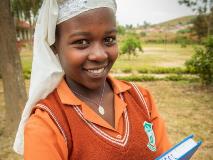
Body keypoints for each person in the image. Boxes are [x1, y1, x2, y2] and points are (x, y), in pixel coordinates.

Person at [13, 0, 171, 159]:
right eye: (82, 42)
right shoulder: (47, 123)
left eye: (109, 39)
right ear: (54, 46)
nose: (100, 55)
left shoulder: (141, 99)